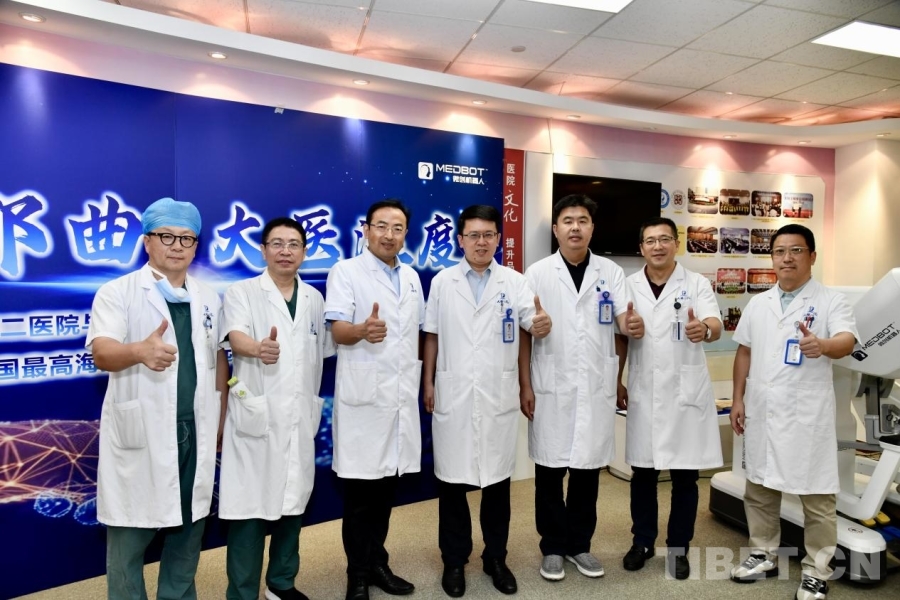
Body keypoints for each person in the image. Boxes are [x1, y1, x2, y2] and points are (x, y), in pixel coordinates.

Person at [87, 197, 228, 600]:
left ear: (196, 246)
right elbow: (102, 352)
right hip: (143, 431)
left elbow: (217, 356)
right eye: (166, 236)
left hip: (195, 429)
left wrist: (219, 415)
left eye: (187, 238)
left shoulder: (208, 297)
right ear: (147, 241)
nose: (177, 246)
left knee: (189, 528)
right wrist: (138, 351)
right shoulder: (118, 292)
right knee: (130, 537)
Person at [423, 204, 552, 598]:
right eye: (473, 235)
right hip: (454, 390)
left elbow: (532, 323)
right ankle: (454, 560)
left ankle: (496, 558)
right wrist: (428, 381)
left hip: (498, 393)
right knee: (452, 484)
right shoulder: (443, 282)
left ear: (498, 238)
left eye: (489, 235)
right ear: (460, 240)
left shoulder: (513, 281)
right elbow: (432, 334)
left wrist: (542, 324)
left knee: (497, 484)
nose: (481, 242)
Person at [518, 194, 644, 582]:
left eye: (583, 220)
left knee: (588, 473)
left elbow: (623, 323)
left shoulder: (611, 272)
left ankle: (579, 545)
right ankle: (553, 547)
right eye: (568, 220)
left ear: (592, 228)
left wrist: (631, 326)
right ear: (556, 229)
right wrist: (525, 383)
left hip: (594, 384)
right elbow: (525, 330)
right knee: (549, 475)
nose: (575, 227)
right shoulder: (537, 273)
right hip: (551, 384)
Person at [729, 224, 857, 600]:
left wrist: (824, 345)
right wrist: (737, 398)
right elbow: (745, 351)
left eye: (796, 250)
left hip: (806, 415)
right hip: (763, 408)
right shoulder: (759, 303)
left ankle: (817, 570)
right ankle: (763, 554)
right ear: (772, 258)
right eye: (780, 251)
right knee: (759, 488)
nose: (787, 258)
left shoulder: (831, 301)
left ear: (812, 256)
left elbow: (847, 341)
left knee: (817, 497)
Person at [220, 217, 335, 600]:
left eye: (294, 244)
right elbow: (235, 336)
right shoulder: (242, 292)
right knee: (249, 512)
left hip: (299, 417)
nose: (286, 251)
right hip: (257, 418)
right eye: (277, 244)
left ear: (304, 251)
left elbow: (321, 352)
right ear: (264, 249)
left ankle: (281, 584)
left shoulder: (314, 298)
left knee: (293, 504)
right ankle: (242, 592)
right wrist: (256, 348)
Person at [324, 199, 424, 600]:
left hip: (398, 398)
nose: (389, 235)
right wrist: (361, 331)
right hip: (363, 401)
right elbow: (337, 330)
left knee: (386, 492)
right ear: (366, 230)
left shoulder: (412, 277)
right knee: (360, 498)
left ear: (405, 234)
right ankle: (358, 575)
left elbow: (415, 334)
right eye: (381, 226)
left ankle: (378, 562)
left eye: (397, 228)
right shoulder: (346, 271)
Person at [617, 217, 723, 580]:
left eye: (664, 239)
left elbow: (715, 324)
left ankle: (679, 548)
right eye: (650, 241)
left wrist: (703, 329)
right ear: (641, 248)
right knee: (643, 475)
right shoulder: (628, 285)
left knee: (685, 478)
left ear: (676, 244)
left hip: (683, 394)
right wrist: (625, 336)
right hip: (645, 390)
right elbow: (619, 333)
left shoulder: (695, 283)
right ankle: (642, 542)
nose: (657, 246)